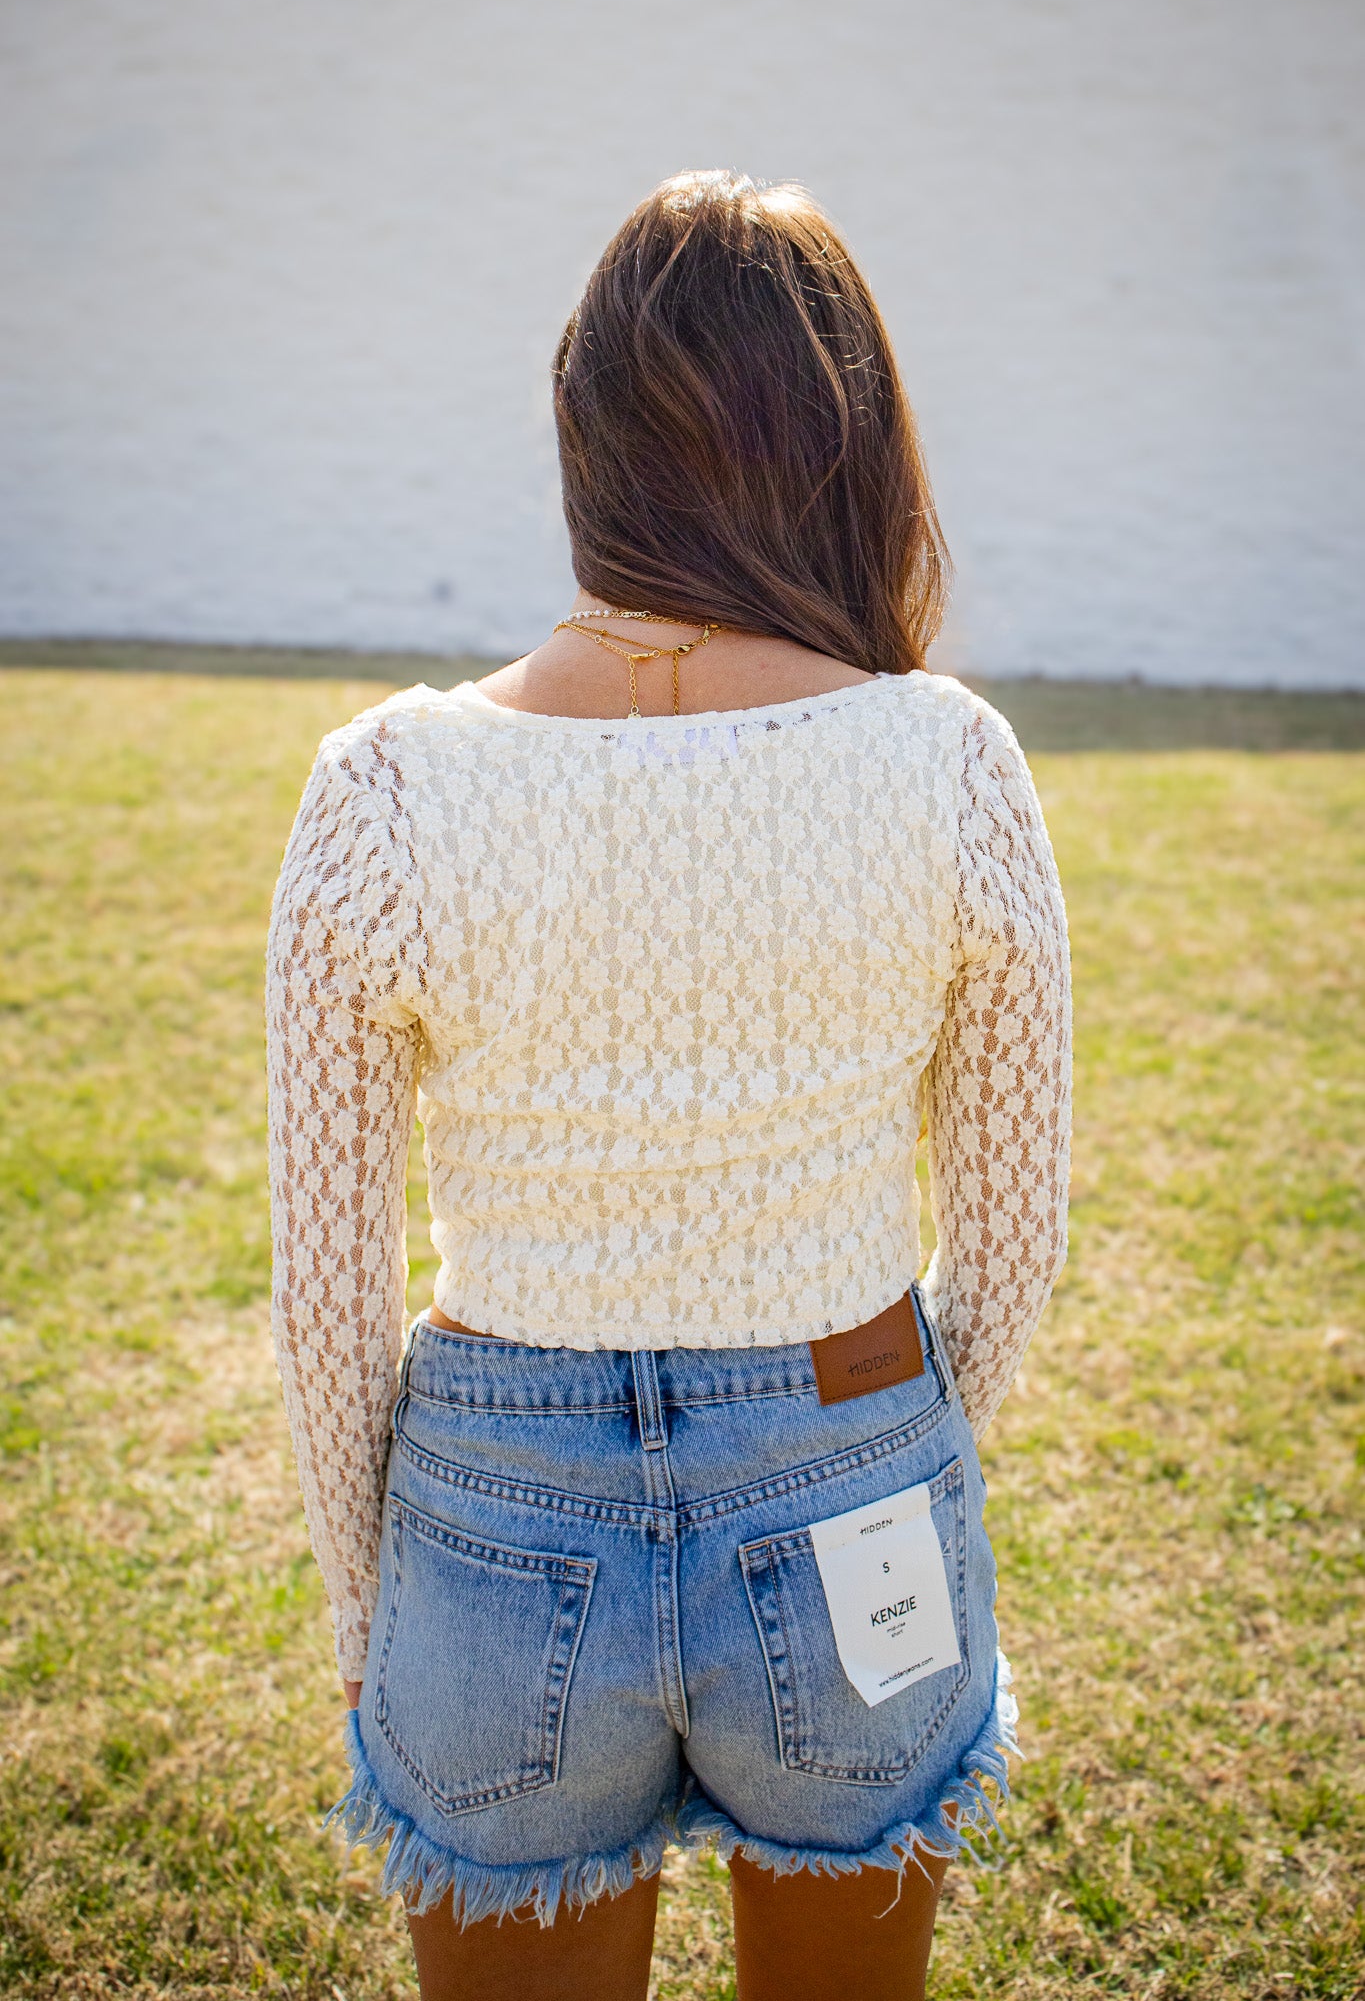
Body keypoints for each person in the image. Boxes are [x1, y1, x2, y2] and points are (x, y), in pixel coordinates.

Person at [265, 169, 1071, 2001]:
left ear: (585, 433)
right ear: (850, 447)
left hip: (487, 1508)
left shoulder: (382, 786)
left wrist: (362, 1608)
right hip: (847, 1446)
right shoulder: (947, 760)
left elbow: (328, 1302)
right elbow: (1011, 1250)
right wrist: (874, 1453)